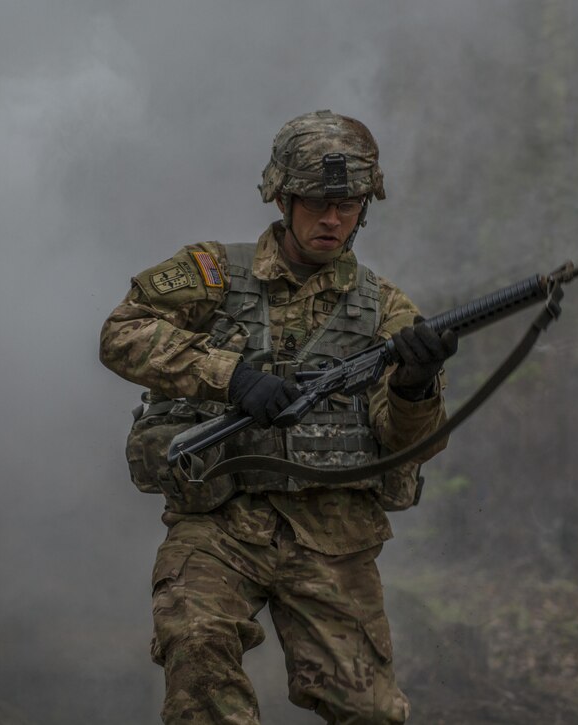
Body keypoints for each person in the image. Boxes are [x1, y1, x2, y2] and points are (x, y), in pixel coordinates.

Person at [99, 110, 458, 724]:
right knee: (197, 645)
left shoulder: (387, 309)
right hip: (220, 522)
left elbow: (406, 443)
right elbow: (121, 333)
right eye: (317, 201)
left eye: (347, 205)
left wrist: (414, 386)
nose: (332, 219)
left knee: (370, 711)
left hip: (333, 537)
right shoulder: (214, 274)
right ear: (283, 197)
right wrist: (230, 376)